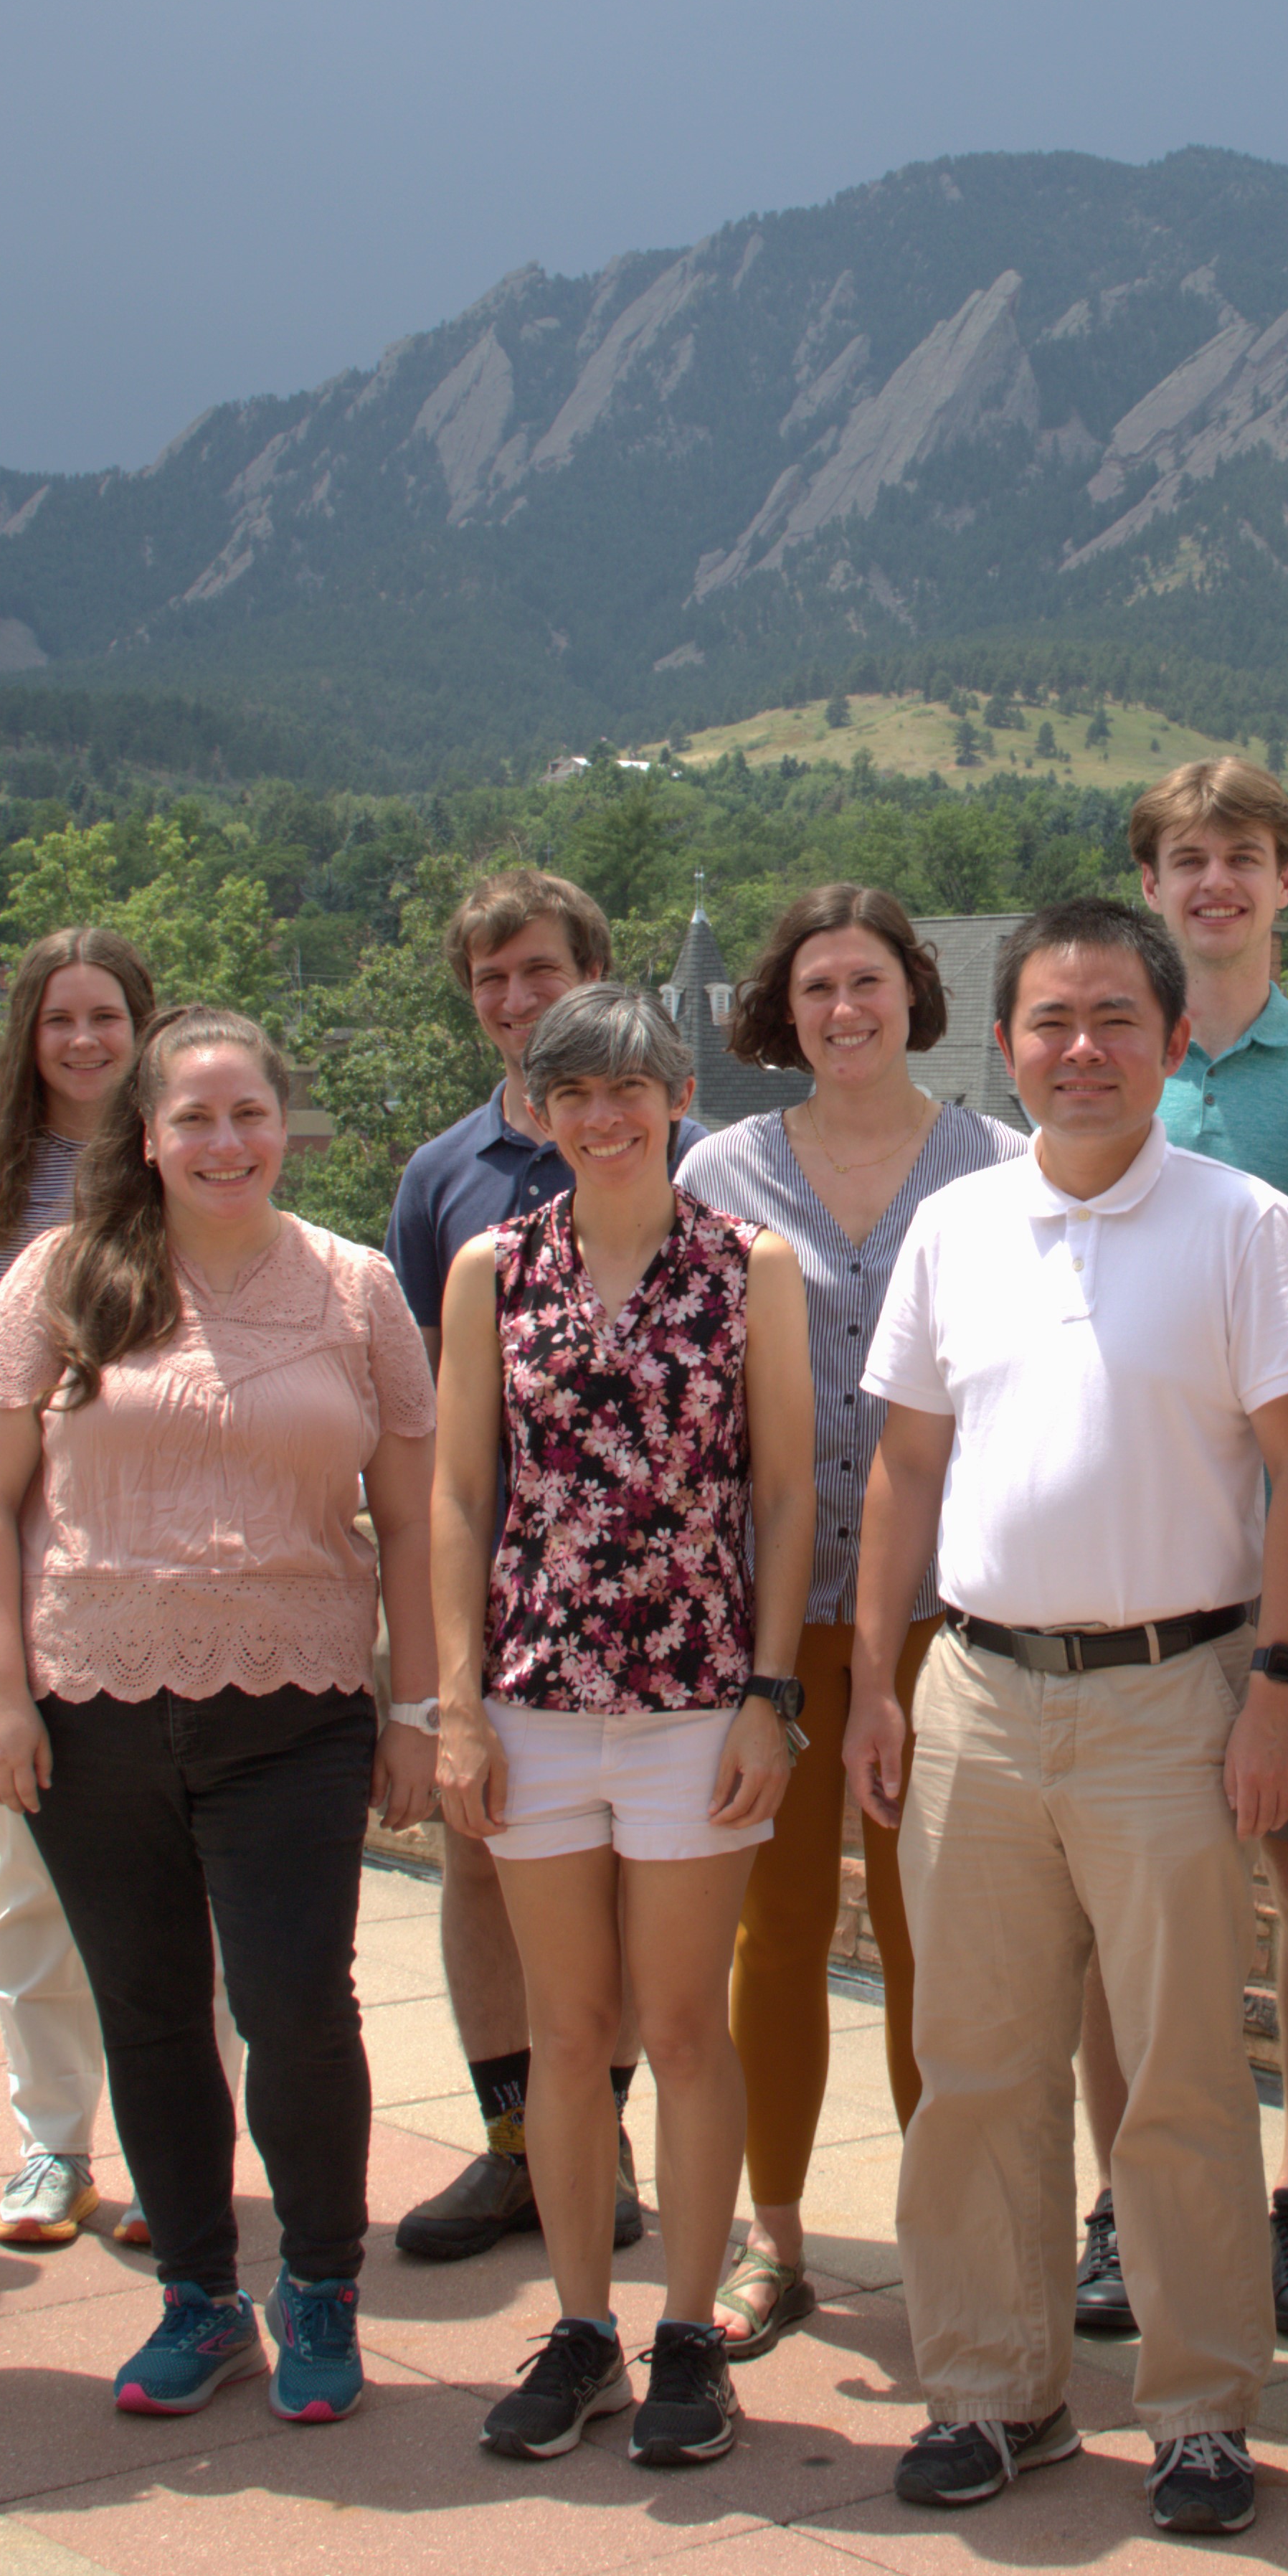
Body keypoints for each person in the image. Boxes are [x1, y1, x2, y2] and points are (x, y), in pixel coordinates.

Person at [850, 897, 1288, 2539]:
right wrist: (874, 1679)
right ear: (1003, 1046)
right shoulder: (956, 1227)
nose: (1082, 1050)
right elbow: (907, 1470)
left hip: (1176, 1700)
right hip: (978, 1694)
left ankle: (1201, 2409)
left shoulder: (1244, 1221)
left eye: (1115, 1020)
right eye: (1050, 1021)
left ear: (1172, 1038)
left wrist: (1278, 1685)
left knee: (1184, 2075)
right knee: (974, 2064)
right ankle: (994, 2389)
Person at [0, 1006, 438, 2426]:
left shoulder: (354, 1291)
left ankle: (325, 2287)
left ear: (286, 1127)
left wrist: (416, 1705)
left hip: (293, 1709)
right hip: (87, 1706)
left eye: (249, 1115)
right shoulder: (61, 1278)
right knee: (149, 2016)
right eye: (194, 1119)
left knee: (295, 2006)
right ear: (147, 1139)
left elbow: (411, 1519)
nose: (225, 1143)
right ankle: (201, 2301)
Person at [432, 982, 814, 2467]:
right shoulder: (490, 1269)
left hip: (693, 1705)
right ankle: (584, 2326)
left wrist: (771, 1696)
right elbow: (463, 1493)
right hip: (532, 1703)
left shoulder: (747, 1267)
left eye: (629, 1087)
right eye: (570, 1091)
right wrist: (455, 1702)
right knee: (566, 2034)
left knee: (678, 2025)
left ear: (674, 1098)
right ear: (536, 1108)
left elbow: (784, 1493)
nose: (602, 1115)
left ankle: (687, 2338)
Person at [673, 886, 1021, 2359]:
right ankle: (780, 2233)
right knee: (781, 1929)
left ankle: (953, 2236)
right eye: (816, 986)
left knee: (944, 1939)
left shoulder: (998, 1167)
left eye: (868, 980)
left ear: (914, 993)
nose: (844, 1009)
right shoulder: (719, 1168)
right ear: (783, 1007)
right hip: (771, 1626)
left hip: (951, 1620)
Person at [1064, 758, 1288, 2351]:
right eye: (1187, 857)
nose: (1217, 882)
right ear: (1154, 882)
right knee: (1127, 1911)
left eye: (1244, 854)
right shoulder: (1106, 1076)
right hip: (1136, 1576)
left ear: (1287, 878)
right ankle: (1127, 2196)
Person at [386, 869, 689, 2261]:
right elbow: (415, 1419)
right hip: (496, 1605)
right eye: (489, 978)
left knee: (619, 1894)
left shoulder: (670, 1151)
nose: (514, 999)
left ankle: (600, 2142)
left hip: (648, 1610)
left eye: (537, 969)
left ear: (594, 969)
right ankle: (516, 2145)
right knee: (478, 1873)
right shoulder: (441, 1180)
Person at [0, 925, 179, 2256]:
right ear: (27, 1037)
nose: (83, 1040)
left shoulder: (183, 1152)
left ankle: (173, 2156)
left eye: (107, 1016)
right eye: (58, 1018)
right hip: (23, 1570)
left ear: (144, 1027)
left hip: (170, 1567)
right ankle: (48, 2147)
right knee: (33, 1885)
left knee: (182, 1899)